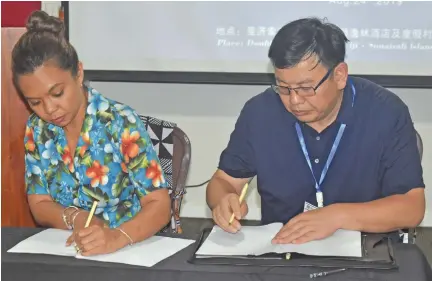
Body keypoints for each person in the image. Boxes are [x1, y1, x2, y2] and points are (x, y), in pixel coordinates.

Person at [206, 17, 425, 245]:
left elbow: (411, 207)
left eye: (305, 88)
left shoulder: (385, 112)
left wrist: (337, 216)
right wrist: (223, 200)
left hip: (367, 252)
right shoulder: (259, 112)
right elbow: (223, 181)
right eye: (283, 87)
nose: (294, 100)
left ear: (339, 75)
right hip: (282, 252)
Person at [13, 11, 171, 256]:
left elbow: (159, 205)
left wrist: (116, 238)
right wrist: (75, 217)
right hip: (69, 252)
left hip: (127, 251)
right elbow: (40, 203)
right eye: (35, 102)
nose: (49, 109)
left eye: (57, 94)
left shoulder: (119, 122)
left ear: (79, 73)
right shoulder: (37, 129)